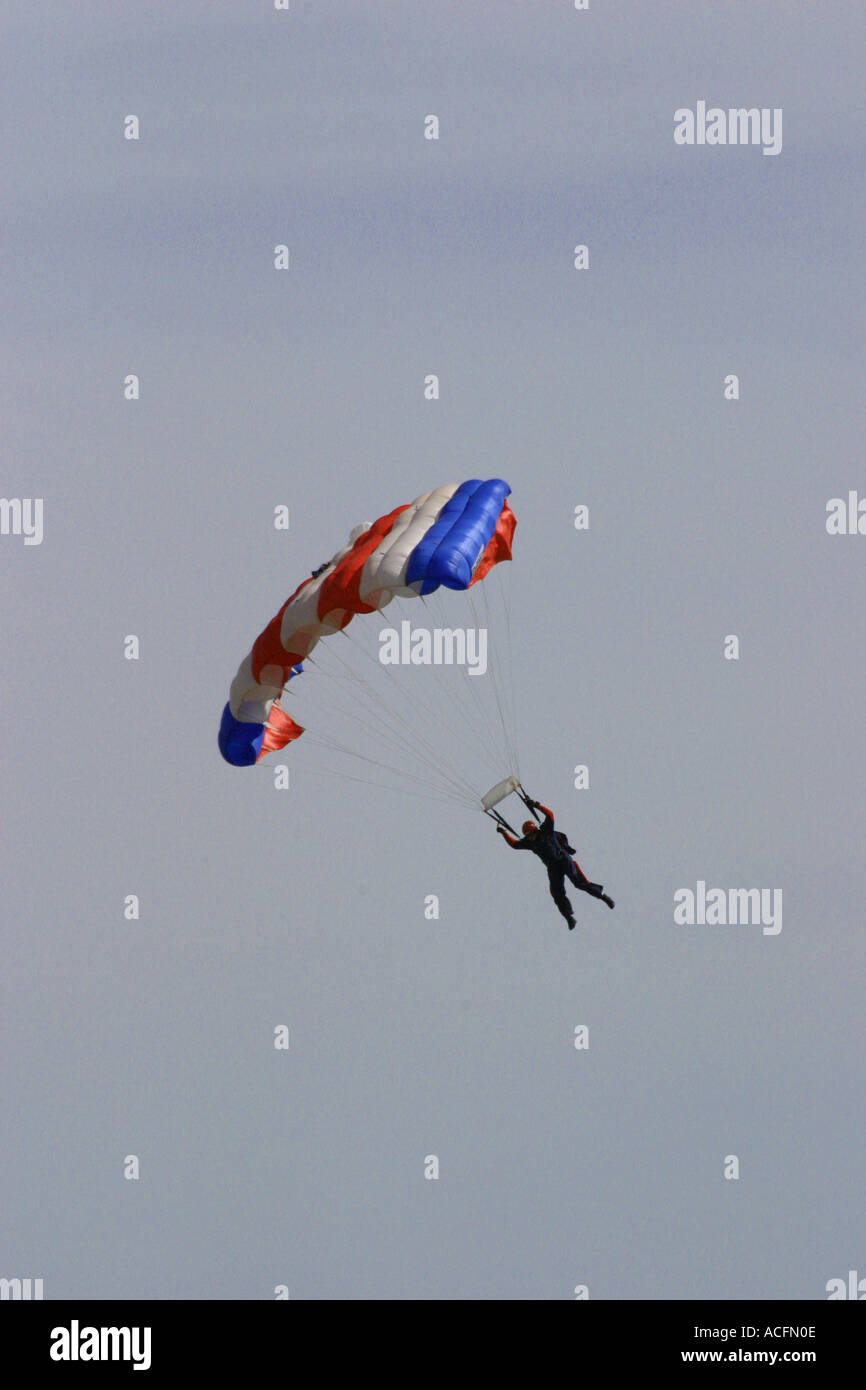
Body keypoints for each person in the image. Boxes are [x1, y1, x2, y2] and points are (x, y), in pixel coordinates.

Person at [496, 800, 614, 930]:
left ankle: (603, 897)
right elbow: (514, 844)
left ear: (535, 830)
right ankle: (569, 918)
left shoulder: (546, 830)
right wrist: (504, 833)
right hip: (553, 868)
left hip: (563, 860)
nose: (531, 838)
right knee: (557, 894)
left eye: (532, 834)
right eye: (528, 836)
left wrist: (536, 805)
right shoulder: (528, 843)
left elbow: (550, 815)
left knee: (579, 883)